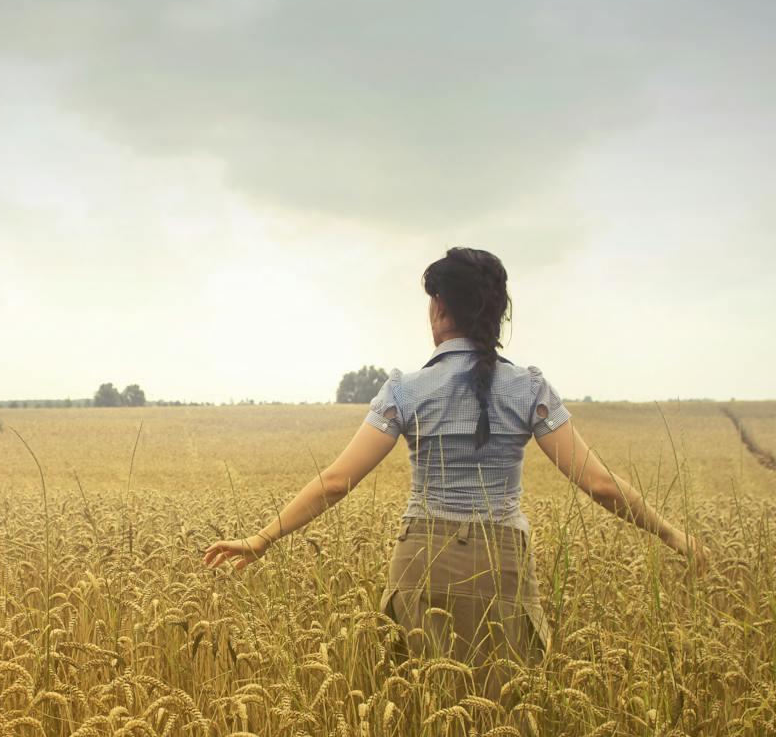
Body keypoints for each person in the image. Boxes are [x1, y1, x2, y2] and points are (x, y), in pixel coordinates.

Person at [202, 246, 706, 697]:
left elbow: (336, 481)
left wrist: (262, 539)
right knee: (503, 706)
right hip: (500, 560)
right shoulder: (529, 389)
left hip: (422, 556)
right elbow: (598, 484)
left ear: (440, 308)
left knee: (420, 703)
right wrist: (673, 535)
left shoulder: (404, 390)